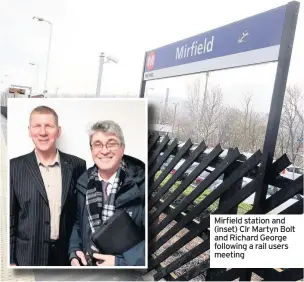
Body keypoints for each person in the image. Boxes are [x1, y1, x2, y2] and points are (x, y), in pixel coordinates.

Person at [10, 105, 86, 266]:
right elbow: (10, 217)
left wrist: (77, 250)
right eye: (37, 126)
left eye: (49, 126)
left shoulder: (77, 165)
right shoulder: (14, 167)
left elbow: (80, 215)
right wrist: (11, 260)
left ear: (58, 131)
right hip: (27, 256)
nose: (43, 132)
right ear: (29, 130)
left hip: (66, 256)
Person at [69, 120, 145, 266]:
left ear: (122, 148)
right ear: (91, 150)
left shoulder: (142, 185)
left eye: (111, 143)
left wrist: (119, 263)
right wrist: (74, 251)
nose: (104, 150)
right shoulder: (83, 183)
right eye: (98, 144)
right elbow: (78, 223)